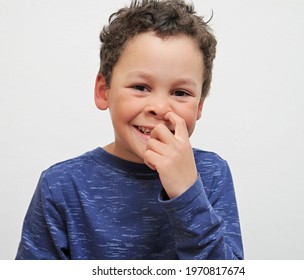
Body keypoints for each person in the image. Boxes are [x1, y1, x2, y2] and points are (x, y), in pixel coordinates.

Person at [16, 0, 243, 260]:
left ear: (199, 106)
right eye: (140, 87)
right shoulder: (60, 186)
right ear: (104, 91)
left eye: (180, 93)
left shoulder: (212, 175)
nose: (159, 107)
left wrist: (187, 192)